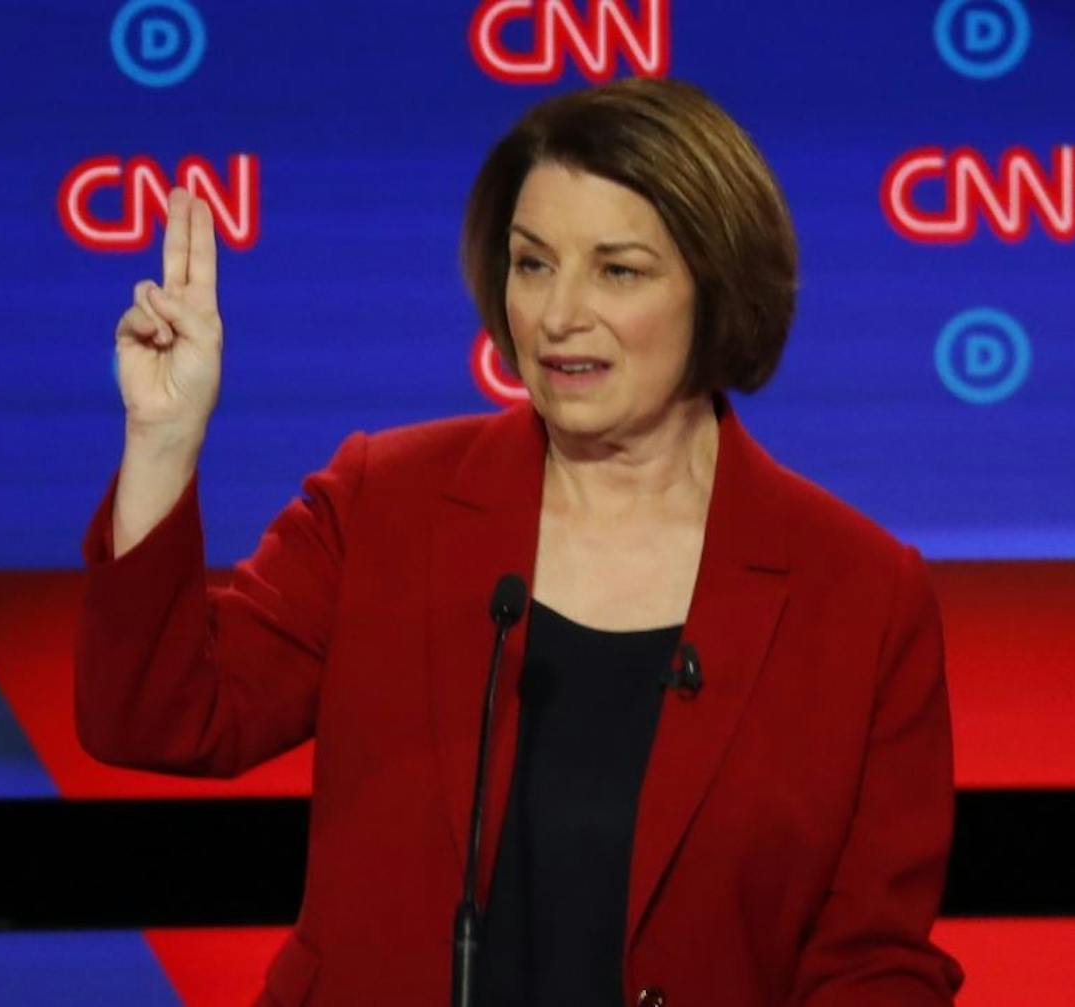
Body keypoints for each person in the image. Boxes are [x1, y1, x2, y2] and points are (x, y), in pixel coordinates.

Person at [76, 77, 964, 1006]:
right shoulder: (389, 501)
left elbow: (873, 961)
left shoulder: (857, 593)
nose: (556, 315)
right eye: (532, 263)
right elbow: (161, 714)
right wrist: (164, 441)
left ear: (718, 284)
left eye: (617, 270)